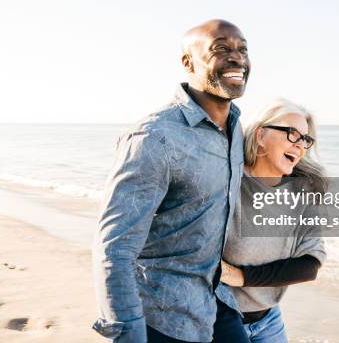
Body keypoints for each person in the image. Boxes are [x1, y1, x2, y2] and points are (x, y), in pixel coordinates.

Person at [92, 19, 252, 342]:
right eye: (221, 48)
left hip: (213, 300)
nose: (237, 58)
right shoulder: (154, 137)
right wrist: (128, 332)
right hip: (160, 315)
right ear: (188, 62)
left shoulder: (235, 130)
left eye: (242, 49)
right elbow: (113, 248)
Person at [219, 98, 327, 343]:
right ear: (260, 135)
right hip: (218, 317)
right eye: (292, 134)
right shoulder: (228, 184)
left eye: (306, 140)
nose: (300, 146)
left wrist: (241, 276)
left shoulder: (302, 195)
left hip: (268, 320)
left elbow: (309, 265)